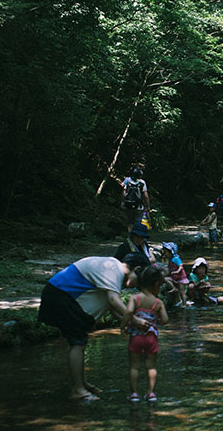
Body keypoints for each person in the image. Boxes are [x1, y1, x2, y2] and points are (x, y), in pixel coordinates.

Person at [38, 254, 151, 401]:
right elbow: (112, 300)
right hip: (61, 295)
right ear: (137, 269)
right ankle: (78, 389)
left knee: (80, 342)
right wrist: (135, 320)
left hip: (59, 294)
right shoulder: (113, 270)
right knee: (78, 343)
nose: (137, 286)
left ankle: (81, 383)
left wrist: (127, 322)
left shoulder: (112, 268)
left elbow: (110, 306)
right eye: (140, 281)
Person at [120, 266, 169, 403]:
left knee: (135, 366)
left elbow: (128, 312)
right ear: (156, 285)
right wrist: (156, 320)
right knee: (151, 366)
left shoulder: (135, 299)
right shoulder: (158, 303)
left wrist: (123, 326)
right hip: (151, 338)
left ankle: (134, 394)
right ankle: (151, 393)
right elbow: (165, 320)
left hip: (136, 337)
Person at [121, 165, 150, 234]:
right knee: (138, 221)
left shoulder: (127, 180)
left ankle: (130, 236)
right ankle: (137, 237)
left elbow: (123, 192)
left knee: (130, 222)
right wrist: (147, 205)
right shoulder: (142, 182)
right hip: (138, 206)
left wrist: (122, 202)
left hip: (128, 205)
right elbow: (146, 196)